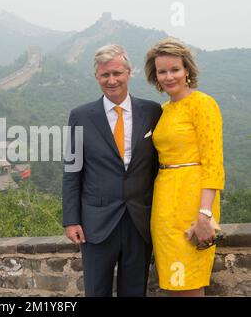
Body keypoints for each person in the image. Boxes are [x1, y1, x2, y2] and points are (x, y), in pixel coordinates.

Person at [62, 44, 162, 297]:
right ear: (97, 77)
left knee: (134, 291)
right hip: (96, 223)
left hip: (140, 220)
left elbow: (159, 166)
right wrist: (71, 219)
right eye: (105, 75)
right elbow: (72, 171)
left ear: (129, 73)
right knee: (96, 291)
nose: (112, 80)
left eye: (117, 73)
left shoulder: (152, 111)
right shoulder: (80, 116)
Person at [144, 37, 225, 296]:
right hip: (164, 202)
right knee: (172, 282)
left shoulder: (203, 104)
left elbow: (213, 163)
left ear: (187, 70)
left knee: (187, 282)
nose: (169, 77)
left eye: (175, 69)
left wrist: (205, 214)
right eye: (162, 71)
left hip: (193, 202)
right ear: (155, 75)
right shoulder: (163, 110)